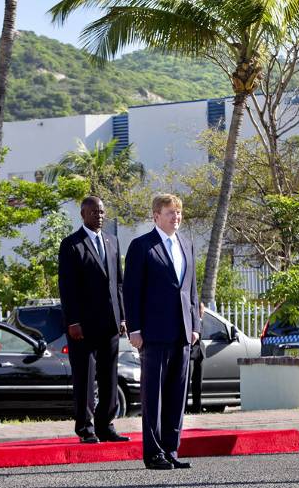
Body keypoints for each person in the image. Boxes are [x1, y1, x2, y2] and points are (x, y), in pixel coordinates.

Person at [124, 193, 201, 471]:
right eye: (170, 213)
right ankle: (153, 452)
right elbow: (131, 292)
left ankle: (170, 447)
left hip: (182, 333)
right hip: (153, 334)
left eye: (178, 213)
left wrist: (196, 326)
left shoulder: (187, 244)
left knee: (176, 395)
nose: (176, 217)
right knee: (153, 395)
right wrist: (134, 328)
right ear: (156, 216)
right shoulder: (142, 246)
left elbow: (191, 290)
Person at [58, 196, 131, 444]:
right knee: (85, 377)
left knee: (109, 376)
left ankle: (105, 425)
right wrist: (73, 321)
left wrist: (122, 316)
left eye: (101, 211)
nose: (98, 215)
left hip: (110, 322)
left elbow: (118, 283)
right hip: (82, 326)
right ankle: (86, 428)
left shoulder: (112, 241)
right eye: (93, 211)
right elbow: (67, 288)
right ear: (83, 214)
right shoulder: (71, 245)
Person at [187, 302, 205, 414]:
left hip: (200, 355)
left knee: (198, 384)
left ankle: (197, 408)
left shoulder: (201, 322)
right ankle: (183, 408)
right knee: (186, 382)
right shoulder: (191, 322)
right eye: (202, 310)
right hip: (190, 354)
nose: (203, 312)